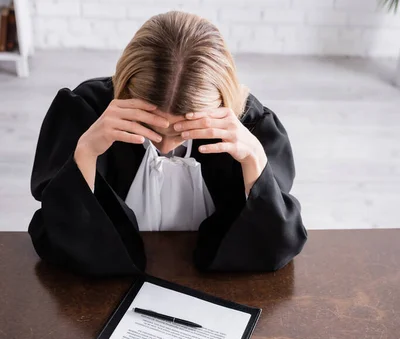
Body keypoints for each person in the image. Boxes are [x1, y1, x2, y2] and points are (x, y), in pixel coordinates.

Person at [28, 11, 307, 277]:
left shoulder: (251, 128)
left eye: (184, 131)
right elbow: (58, 240)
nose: (164, 146)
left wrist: (255, 160)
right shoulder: (84, 113)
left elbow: (274, 247)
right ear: (126, 92)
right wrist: (86, 153)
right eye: (152, 128)